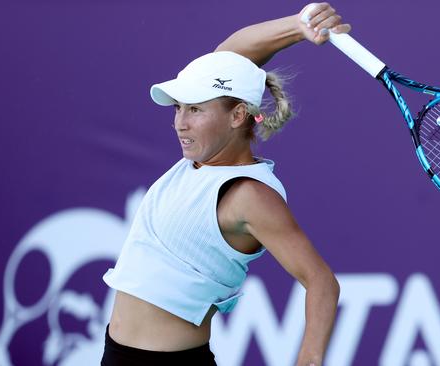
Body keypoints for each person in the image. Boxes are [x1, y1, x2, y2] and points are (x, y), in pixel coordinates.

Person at [101, 3, 351, 365]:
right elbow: (230, 55)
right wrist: (300, 25)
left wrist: (308, 361)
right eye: (178, 108)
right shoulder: (201, 160)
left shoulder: (249, 194)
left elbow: (322, 282)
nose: (180, 123)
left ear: (237, 115)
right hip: (115, 353)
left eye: (196, 110)